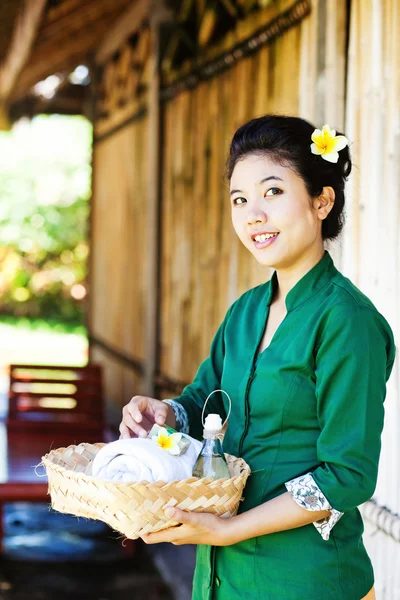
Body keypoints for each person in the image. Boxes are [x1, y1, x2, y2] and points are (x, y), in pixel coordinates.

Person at [119, 115, 396, 600]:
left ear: (321, 200)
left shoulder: (346, 322)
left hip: (305, 579)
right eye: (240, 200)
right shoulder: (246, 311)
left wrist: (232, 528)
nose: (253, 214)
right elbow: (205, 403)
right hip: (221, 576)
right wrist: (166, 414)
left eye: (272, 192)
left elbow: (346, 475)